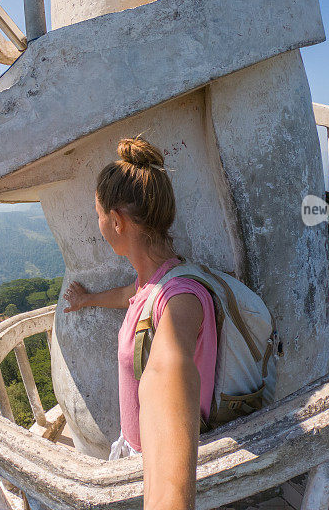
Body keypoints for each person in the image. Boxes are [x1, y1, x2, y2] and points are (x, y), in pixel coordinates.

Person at [63, 136, 217, 510]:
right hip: (138, 447)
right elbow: (132, 296)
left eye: (98, 214)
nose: (97, 223)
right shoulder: (159, 276)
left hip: (151, 457)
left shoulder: (178, 299)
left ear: (116, 222)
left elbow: (168, 371)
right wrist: (87, 300)